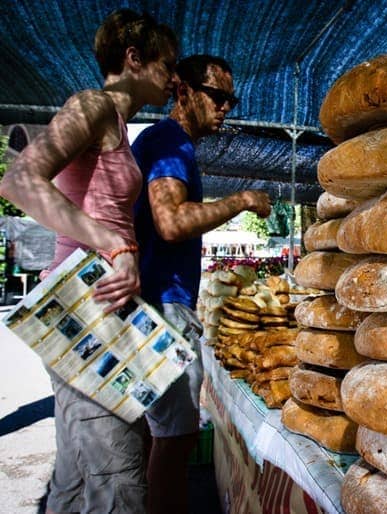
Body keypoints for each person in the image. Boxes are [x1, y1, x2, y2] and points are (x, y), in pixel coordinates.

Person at [0, 9, 178, 514]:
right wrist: (113, 244)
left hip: (105, 303)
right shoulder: (92, 104)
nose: (172, 76)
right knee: (119, 476)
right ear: (134, 58)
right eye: (167, 63)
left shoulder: (117, 123)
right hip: (86, 304)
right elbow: (18, 181)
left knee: (78, 471)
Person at [131, 54, 271, 514]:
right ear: (184, 92)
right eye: (218, 95)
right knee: (177, 439)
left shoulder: (171, 144)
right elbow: (170, 222)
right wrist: (241, 200)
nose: (227, 106)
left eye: (231, 98)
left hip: (158, 300)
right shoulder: (169, 142)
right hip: (162, 303)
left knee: (158, 437)